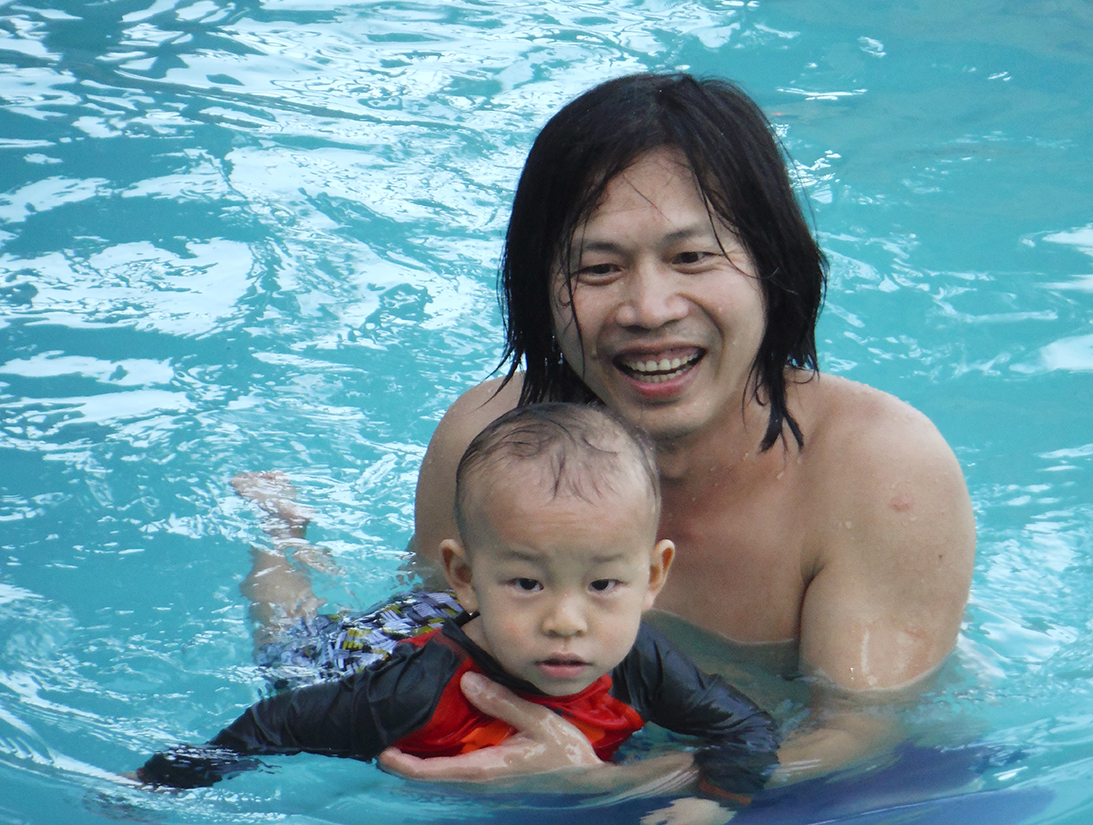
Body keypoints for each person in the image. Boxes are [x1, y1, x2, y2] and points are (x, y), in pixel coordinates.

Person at [392, 72, 975, 783]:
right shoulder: (483, 444)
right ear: (538, 290)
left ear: (773, 266)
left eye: (692, 257)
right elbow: (420, 645)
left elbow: (862, 734)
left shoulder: (879, 471)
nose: (649, 308)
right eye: (598, 267)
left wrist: (603, 785)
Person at [135, 403, 779, 804]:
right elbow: (270, 725)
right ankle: (280, 532)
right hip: (364, 655)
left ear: (652, 576)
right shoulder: (406, 695)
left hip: (455, 622)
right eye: (527, 582)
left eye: (603, 585)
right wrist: (157, 785)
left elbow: (747, 731)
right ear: (464, 575)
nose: (565, 620)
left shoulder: (645, 661)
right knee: (288, 638)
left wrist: (711, 802)